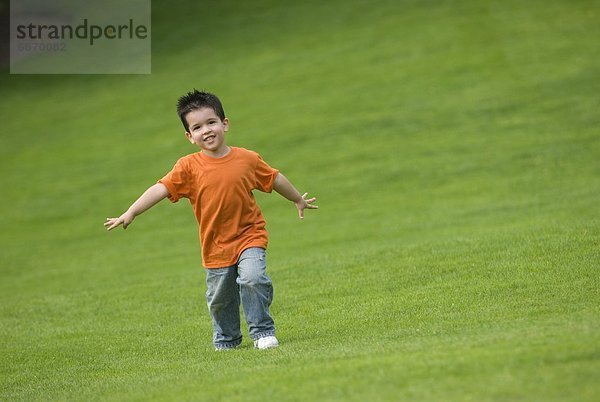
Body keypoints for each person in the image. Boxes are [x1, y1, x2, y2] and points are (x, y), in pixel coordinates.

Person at [104, 90, 317, 351]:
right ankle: (227, 340)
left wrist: (297, 199)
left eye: (211, 122)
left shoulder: (247, 159)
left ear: (225, 123)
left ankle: (262, 332)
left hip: (250, 235)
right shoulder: (187, 167)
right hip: (215, 245)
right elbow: (160, 189)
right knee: (221, 299)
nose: (206, 130)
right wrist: (131, 211)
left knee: (253, 279)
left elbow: (274, 179)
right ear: (189, 136)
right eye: (197, 127)